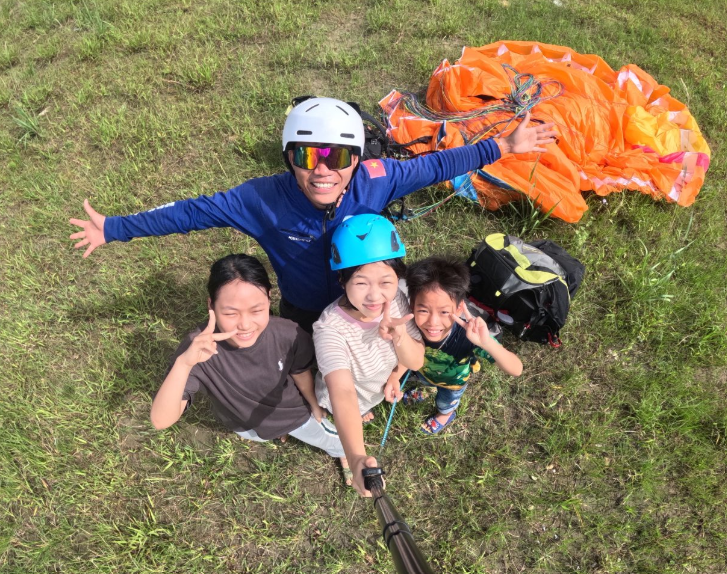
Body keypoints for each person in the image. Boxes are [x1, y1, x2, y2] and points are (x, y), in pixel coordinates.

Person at [69, 97, 558, 332]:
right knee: (308, 361)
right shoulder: (261, 199)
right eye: (307, 156)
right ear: (288, 158)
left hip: (364, 299)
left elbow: (436, 165)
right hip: (303, 308)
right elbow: (190, 213)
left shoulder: (377, 178)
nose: (323, 171)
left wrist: (503, 146)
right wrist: (114, 228)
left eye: (338, 157)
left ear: (356, 159)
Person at [150, 253, 351, 484]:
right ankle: (278, 433)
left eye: (256, 310)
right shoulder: (197, 350)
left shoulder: (288, 334)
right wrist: (184, 364)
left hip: (294, 416)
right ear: (211, 305)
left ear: (269, 298)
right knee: (261, 435)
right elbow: (160, 420)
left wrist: (314, 405)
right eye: (230, 313)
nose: (245, 325)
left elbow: (300, 371)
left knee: (332, 439)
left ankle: (343, 452)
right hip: (243, 424)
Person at [312, 215, 424, 496]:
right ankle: (343, 451)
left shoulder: (399, 300)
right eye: (361, 283)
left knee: (363, 407)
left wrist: (398, 357)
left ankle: (363, 413)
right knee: (341, 418)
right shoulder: (329, 329)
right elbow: (342, 392)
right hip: (345, 399)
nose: (375, 296)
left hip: (377, 386)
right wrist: (356, 457)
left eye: (386, 282)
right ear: (342, 280)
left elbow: (416, 361)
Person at [383, 256, 522, 434]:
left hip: (452, 383)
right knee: (425, 382)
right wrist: (395, 377)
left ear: (458, 309)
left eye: (444, 312)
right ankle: (428, 389)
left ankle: (445, 414)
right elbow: (409, 355)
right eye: (423, 310)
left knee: (445, 401)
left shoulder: (469, 336)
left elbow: (516, 369)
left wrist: (487, 342)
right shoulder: (411, 327)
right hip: (424, 374)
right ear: (412, 306)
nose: (433, 322)